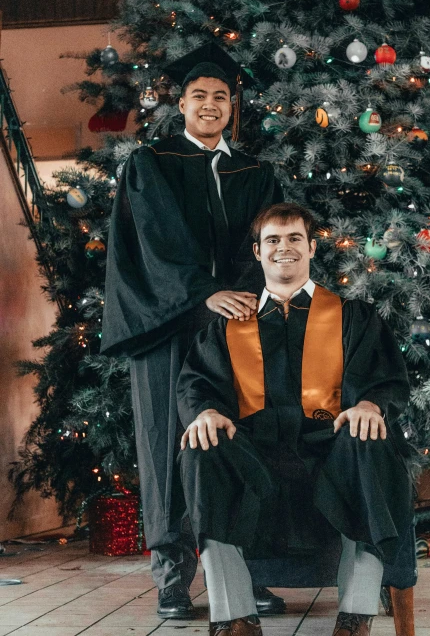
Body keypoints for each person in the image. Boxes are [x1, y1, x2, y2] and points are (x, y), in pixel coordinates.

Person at [100, 43, 285, 619]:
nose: (210, 105)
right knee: (163, 445)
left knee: (238, 438)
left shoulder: (255, 173)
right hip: (165, 330)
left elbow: (267, 245)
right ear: (180, 104)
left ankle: (240, 571)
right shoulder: (150, 163)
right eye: (199, 96)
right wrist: (206, 293)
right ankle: (172, 578)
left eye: (221, 97)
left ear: (233, 107)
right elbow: (154, 245)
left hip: (233, 329)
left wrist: (247, 296)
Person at [177, 202, 413, 636]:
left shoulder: (350, 317)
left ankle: (356, 616)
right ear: (257, 252)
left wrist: (368, 406)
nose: (282, 248)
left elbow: (386, 380)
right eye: (272, 240)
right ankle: (235, 619)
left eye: (293, 239)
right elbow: (197, 384)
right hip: (252, 451)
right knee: (201, 447)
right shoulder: (227, 326)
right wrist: (205, 413)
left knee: (370, 443)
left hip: (332, 447)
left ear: (311, 247)